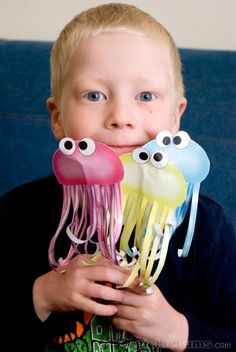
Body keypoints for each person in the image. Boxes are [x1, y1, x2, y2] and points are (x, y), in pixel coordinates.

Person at [1, 3, 235, 352]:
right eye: (94, 95)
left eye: (145, 96)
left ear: (175, 117)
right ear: (58, 119)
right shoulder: (18, 213)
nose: (121, 117)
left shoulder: (205, 228)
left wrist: (183, 333)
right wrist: (42, 296)